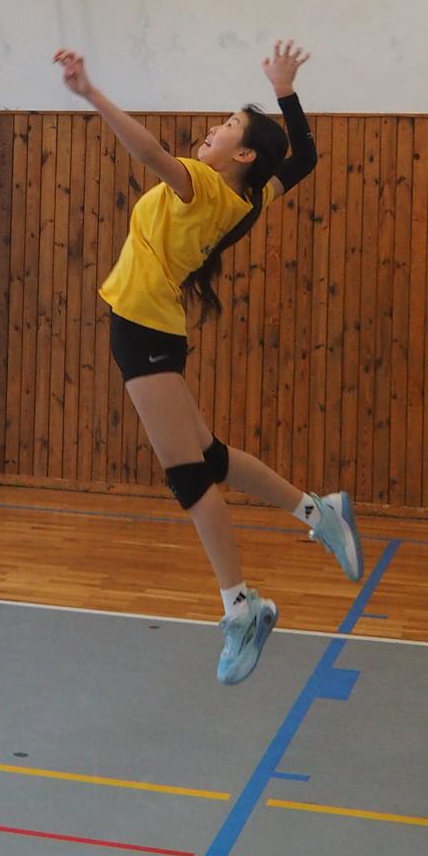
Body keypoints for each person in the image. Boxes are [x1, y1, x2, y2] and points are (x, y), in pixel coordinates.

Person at [55, 40, 363, 684]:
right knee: (212, 457)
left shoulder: (204, 188)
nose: (212, 130)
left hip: (144, 330)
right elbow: (304, 158)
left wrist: (92, 94)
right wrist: (285, 92)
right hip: (150, 328)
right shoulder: (249, 200)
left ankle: (240, 605)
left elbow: (148, 152)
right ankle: (318, 512)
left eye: (226, 126)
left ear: (243, 156)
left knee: (189, 478)